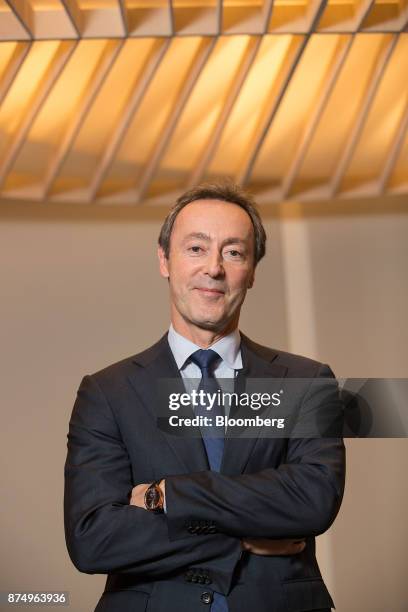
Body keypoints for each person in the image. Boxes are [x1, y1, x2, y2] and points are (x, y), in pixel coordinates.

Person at [64, 182, 345, 612]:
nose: (213, 268)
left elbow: (313, 500)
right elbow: (94, 540)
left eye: (233, 252)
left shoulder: (307, 382)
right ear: (164, 260)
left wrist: (171, 495)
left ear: (252, 271)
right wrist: (242, 537)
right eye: (196, 248)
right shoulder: (107, 392)